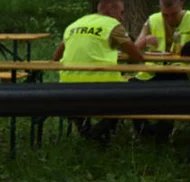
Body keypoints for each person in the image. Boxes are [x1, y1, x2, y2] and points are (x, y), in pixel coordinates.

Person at [53, 0, 148, 144]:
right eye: (121, 13)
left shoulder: (75, 24)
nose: (122, 18)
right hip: (102, 86)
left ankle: (86, 130)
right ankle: (99, 132)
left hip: (67, 86)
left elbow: (56, 58)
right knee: (132, 93)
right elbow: (136, 56)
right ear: (110, 9)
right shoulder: (112, 26)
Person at [132, 0, 190, 140]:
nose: (170, 19)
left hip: (181, 73)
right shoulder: (152, 20)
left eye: (173, 14)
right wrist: (144, 41)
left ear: (182, 5)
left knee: (168, 89)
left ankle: (162, 134)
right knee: (131, 90)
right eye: (165, 15)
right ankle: (143, 132)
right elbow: (134, 49)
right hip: (152, 72)